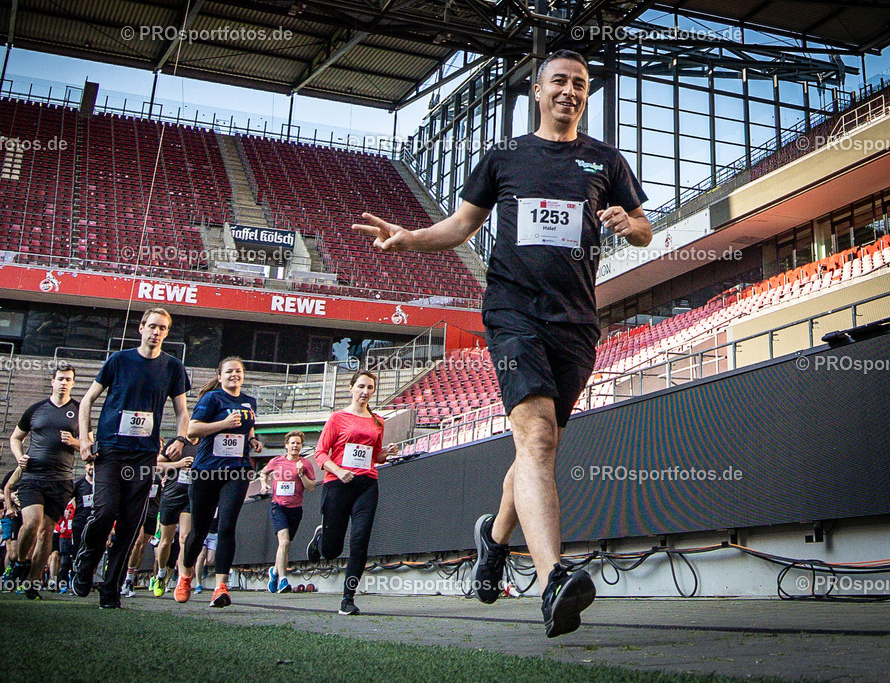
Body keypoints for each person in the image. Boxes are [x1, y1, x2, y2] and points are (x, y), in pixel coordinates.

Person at [352, 49, 652, 637]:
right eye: (560, 81)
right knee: (536, 438)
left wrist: (629, 225)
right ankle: (553, 582)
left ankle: (492, 544)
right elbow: (462, 225)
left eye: (581, 84)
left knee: (539, 450)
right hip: (514, 313)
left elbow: (644, 228)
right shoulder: (504, 157)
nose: (570, 90)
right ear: (538, 92)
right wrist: (409, 239)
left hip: (577, 324)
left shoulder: (605, 160)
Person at [72, 308, 191, 609]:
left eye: (162, 328)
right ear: (140, 328)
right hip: (110, 451)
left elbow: (182, 411)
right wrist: (85, 438)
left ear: (167, 332)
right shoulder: (118, 360)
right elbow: (87, 400)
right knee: (105, 512)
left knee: (129, 525)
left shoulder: (173, 367)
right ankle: (86, 561)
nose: (156, 332)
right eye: (152, 326)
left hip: (144, 455)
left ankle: (110, 589)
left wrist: (179, 438)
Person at [305, 370, 397, 615]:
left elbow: (374, 455)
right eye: (361, 386)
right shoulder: (337, 418)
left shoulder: (378, 421)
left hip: (366, 484)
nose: (365, 392)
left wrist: (384, 454)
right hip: (337, 483)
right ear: (351, 388)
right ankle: (322, 538)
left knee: (359, 543)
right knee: (332, 550)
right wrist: (339, 470)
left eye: (370, 388)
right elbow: (320, 454)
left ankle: (348, 598)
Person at [174, 356, 263, 607]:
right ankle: (185, 575)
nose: (235, 375)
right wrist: (223, 424)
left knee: (226, 527)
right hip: (207, 471)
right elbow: (192, 430)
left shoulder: (249, 401)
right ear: (220, 376)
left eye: (239, 371)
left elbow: (249, 427)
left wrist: (253, 441)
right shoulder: (211, 399)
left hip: (237, 470)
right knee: (199, 531)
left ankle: (221, 587)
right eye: (230, 372)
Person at [6, 363, 83, 600]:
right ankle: (19, 562)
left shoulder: (80, 410)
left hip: (61, 480)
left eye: (68, 379)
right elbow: (16, 438)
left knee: (46, 532)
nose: (64, 383)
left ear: (73, 383)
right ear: (52, 381)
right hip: (33, 476)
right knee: (32, 523)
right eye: (60, 378)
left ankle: (31, 583)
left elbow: (89, 446)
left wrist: (74, 442)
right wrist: (20, 458)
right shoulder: (36, 409)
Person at [259, 430, 315, 593]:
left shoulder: (305, 464)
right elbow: (263, 472)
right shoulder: (276, 461)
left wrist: (301, 474)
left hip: (295, 509)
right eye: (292, 443)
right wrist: (264, 484)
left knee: (286, 546)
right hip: (278, 507)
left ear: (301, 446)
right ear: (286, 445)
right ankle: (283, 580)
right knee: (283, 542)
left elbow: (311, 487)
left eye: (298, 443)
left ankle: (274, 571)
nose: (295, 446)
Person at [152, 436, 197, 596]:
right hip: (171, 495)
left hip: (190, 497)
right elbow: (156, 465)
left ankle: (182, 580)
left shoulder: (205, 443)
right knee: (165, 542)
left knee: (185, 538)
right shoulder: (176, 443)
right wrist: (178, 464)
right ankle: (161, 574)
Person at [122, 471, 163, 597]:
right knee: (137, 543)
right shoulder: (138, 471)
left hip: (152, 512)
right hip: (138, 510)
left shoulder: (160, 475)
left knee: (141, 549)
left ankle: (131, 579)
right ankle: (127, 579)